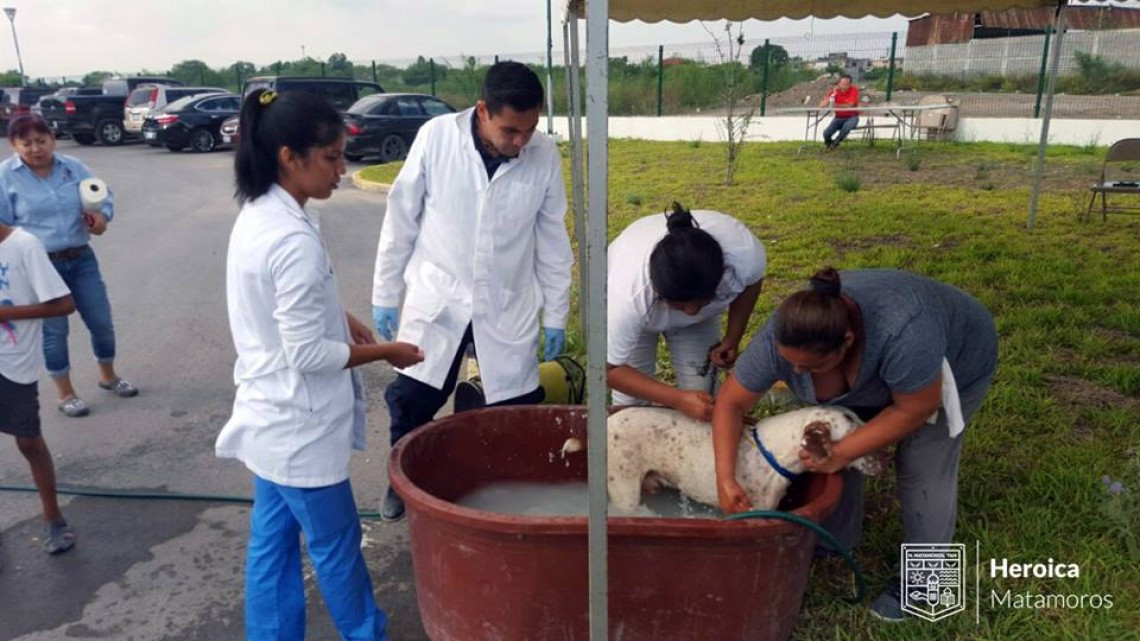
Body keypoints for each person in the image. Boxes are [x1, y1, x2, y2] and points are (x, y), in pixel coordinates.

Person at [217, 88, 424, 641]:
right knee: (336, 545)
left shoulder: (262, 214)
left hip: (270, 417)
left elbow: (283, 305)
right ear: (290, 157)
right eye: (332, 157)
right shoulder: (290, 238)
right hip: (297, 426)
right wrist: (388, 352)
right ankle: (365, 633)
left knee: (272, 544)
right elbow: (308, 355)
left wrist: (340, 315)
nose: (342, 169)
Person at [712, 267, 997, 622]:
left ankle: (927, 580)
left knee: (921, 464)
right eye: (790, 363)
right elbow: (730, 404)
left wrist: (844, 453)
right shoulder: (784, 335)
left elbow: (915, 409)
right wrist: (725, 478)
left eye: (809, 366)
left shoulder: (905, 332)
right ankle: (834, 540)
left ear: (846, 341)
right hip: (881, 362)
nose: (796, 373)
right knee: (831, 439)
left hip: (956, 358)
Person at [371, 61, 573, 521]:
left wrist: (556, 315)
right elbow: (401, 219)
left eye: (530, 129)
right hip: (439, 295)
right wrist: (385, 292)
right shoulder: (437, 138)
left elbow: (553, 241)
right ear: (482, 110)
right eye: (510, 131)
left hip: (505, 300)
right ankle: (402, 481)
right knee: (411, 398)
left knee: (513, 407)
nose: (521, 142)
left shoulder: (543, 154)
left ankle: (501, 497)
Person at [0, 115, 137, 418]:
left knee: (101, 322)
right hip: (39, 268)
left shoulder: (73, 167)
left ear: (52, 138)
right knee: (54, 332)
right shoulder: (6, 176)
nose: (36, 149)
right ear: (14, 145)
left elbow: (102, 195)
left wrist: (101, 217)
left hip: (81, 258)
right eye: (27, 143)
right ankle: (65, 393)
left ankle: (108, 375)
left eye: (41, 141)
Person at [607, 202, 766, 421]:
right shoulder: (629, 294)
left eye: (702, 302)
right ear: (658, 292)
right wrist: (676, 398)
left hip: (685, 301)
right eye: (680, 305)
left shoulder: (744, 254)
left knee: (702, 395)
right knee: (631, 406)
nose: (691, 312)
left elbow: (751, 282)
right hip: (636, 311)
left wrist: (733, 337)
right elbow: (608, 369)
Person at [0, 219, 77, 558]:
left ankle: (53, 518)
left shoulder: (23, 245)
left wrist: (5, 313)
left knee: (29, 441)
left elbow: (63, 304)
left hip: (12, 362)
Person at [818, 74, 860, 150]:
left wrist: (835, 105)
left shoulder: (854, 90)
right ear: (839, 84)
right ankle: (829, 144)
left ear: (850, 84)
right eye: (842, 84)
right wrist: (831, 96)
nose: (844, 86)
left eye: (846, 84)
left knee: (846, 128)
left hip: (852, 117)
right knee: (826, 133)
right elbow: (822, 105)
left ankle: (836, 142)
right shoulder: (834, 92)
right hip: (838, 117)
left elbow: (850, 105)